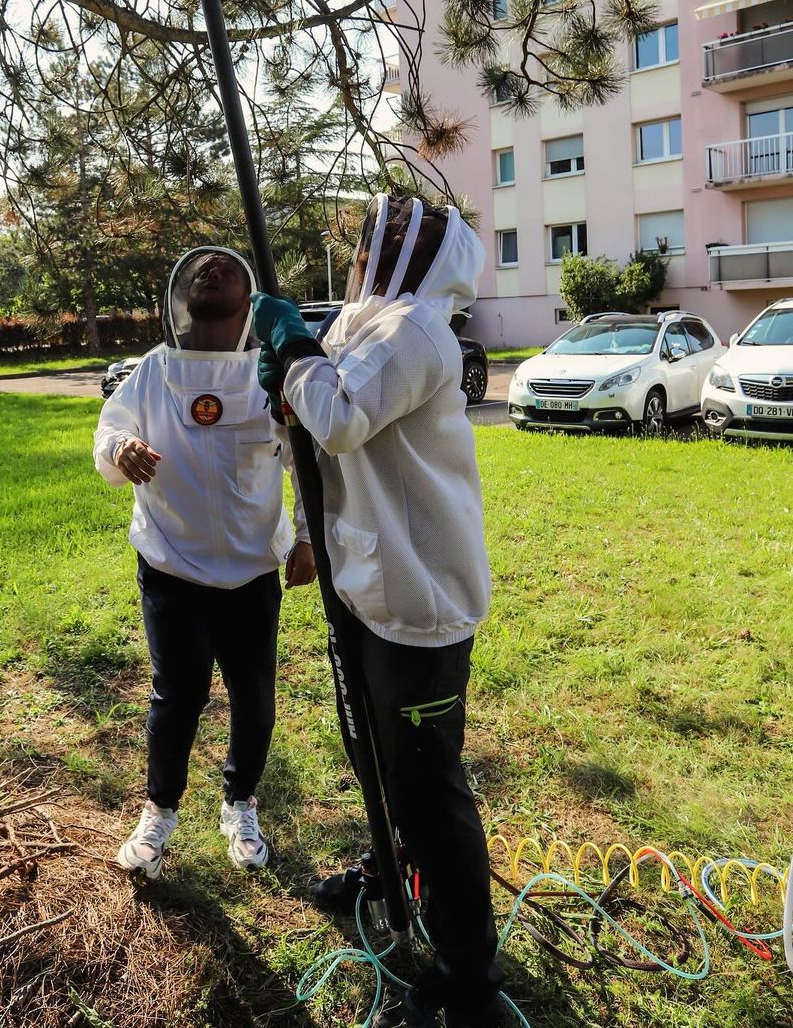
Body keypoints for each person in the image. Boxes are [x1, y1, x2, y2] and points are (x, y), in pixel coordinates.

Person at [250, 196, 506, 1028]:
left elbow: (343, 415)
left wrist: (293, 353)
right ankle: (389, 867)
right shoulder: (363, 326)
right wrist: (283, 379)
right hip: (367, 584)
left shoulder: (417, 327)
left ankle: (467, 970)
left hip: (419, 598)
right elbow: (315, 440)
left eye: (383, 237)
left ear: (419, 252)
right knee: (373, 748)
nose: (365, 247)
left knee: (427, 784)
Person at [93, 247, 315, 880]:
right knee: (177, 694)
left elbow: (303, 458)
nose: (210, 272)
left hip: (251, 572)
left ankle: (240, 803)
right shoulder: (152, 372)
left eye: (227, 269)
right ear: (179, 299)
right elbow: (108, 434)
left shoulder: (268, 375)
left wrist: (305, 538)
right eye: (199, 271)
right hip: (171, 566)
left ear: (250, 300)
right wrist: (121, 449)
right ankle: (159, 810)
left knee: (254, 695)